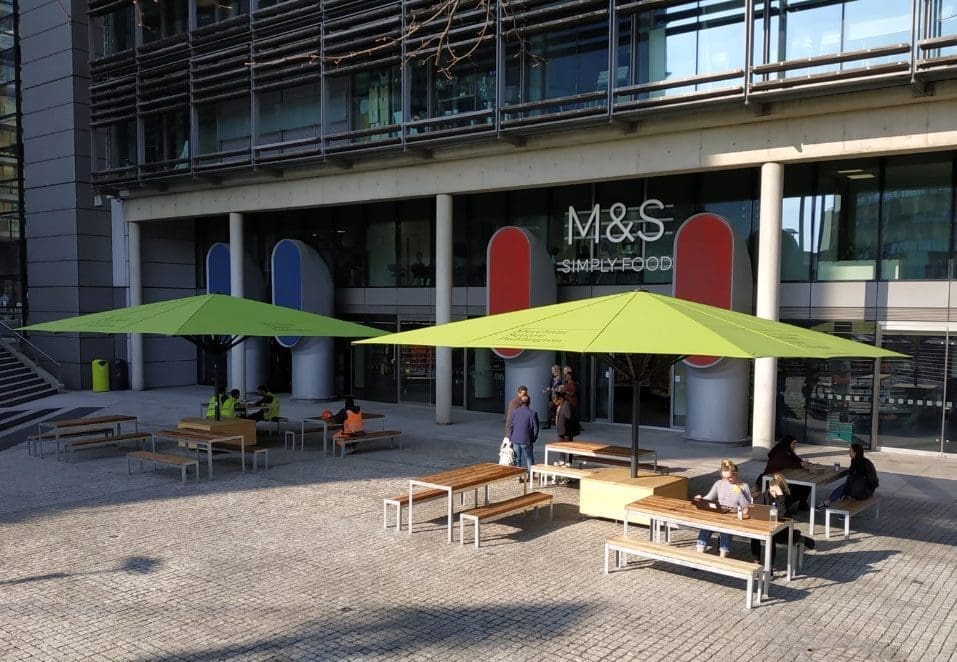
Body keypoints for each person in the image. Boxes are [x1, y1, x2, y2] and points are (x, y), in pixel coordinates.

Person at [749, 473, 815, 564]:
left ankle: (769, 567)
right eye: (772, 490)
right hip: (769, 526)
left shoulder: (786, 498)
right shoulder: (766, 494)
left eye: (776, 491)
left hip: (783, 529)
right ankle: (756, 561)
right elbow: (756, 504)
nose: (774, 494)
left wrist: (781, 496)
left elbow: (782, 513)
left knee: (771, 538)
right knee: (755, 535)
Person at [695, 459, 753, 557]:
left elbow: (747, 507)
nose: (727, 480)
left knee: (726, 530)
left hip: (733, 513)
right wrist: (701, 498)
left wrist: (739, 494)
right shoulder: (719, 483)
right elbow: (709, 497)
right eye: (724, 477)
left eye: (729, 477)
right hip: (719, 510)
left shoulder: (744, 486)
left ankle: (723, 556)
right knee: (705, 526)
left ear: (736, 474)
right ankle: (699, 555)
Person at [756, 434, 812, 511]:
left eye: (795, 443)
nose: (795, 445)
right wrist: (800, 464)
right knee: (793, 488)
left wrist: (803, 463)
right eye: (793, 443)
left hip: (782, 477)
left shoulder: (788, 451)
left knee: (806, 484)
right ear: (787, 443)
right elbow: (787, 463)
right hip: (770, 480)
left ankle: (802, 503)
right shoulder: (779, 453)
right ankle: (785, 507)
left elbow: (795, 460)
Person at [816, 442, 879, 509]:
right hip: (869, 489)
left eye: (850, 450)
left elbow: (854, 480)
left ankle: (827, 503)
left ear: (855, 453)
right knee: (846, 488)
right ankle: (842, 510)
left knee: (844, 487)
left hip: (865, 491)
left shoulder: (858, 465)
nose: (848, 452)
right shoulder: (863, 461)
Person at [508, 394, 540, 481]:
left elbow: (511, 426)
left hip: (516, 439)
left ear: (520, 402)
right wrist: (533, 438)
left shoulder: (515, 412)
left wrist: (510, 437)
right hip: (526, 440)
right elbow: (536, 428)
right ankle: (530, 476)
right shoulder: (533, 413)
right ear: (529, 402)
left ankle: (518, 476)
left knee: (517, 458)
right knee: (529, 458)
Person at [541, 365, 561, 429]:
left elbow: (559, 388)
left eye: (553, 369)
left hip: (557, 396)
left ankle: (554, 423)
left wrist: (554, 389)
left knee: (553, 409)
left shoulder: (559, 378)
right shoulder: (552, 378)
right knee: (550, 409)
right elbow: (551, 387)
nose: (551, 371)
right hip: (552, 395)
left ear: (556, 370)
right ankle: (550, 424)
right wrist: (546, 390)